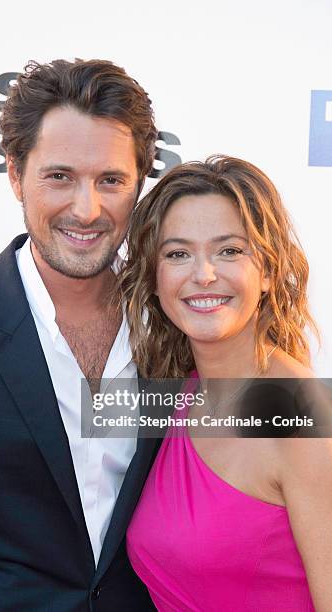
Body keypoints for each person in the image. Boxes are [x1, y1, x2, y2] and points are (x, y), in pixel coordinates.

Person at [0, 59, 160, 611]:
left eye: (110, 181)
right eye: (60, 177)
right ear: (14, 175)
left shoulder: (172, 330)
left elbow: (277, 426)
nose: (87, 208)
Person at [120, 156, 332, 611]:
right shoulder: (175, 397)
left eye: (230, 250)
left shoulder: (306, 417)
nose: (204, 274)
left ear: (270, 271)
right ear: (155, 280)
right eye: (178, 254)